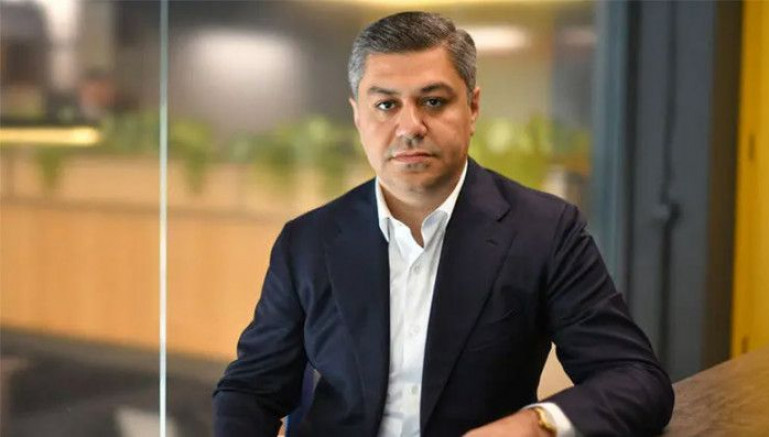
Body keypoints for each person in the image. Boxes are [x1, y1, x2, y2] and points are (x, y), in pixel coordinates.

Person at [214, 11, 673, 437]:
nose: (410, 126)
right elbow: (251, 389)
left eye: (433, 101)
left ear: (472, 108)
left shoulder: (545, 230)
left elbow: (635, 378)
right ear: (357, 115)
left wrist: (537, 425)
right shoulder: (307, 241)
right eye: (386, 105)